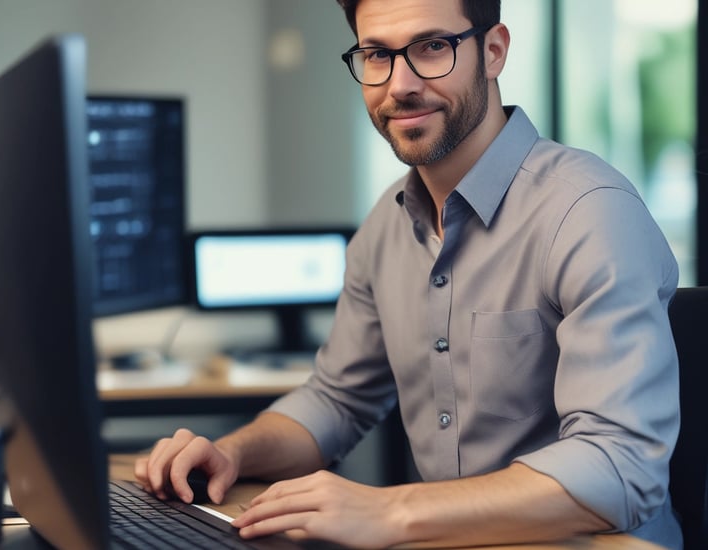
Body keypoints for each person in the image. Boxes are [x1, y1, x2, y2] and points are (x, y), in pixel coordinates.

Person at [136, 0, 683, 547]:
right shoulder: (385, 225)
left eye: (430, 47)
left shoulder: (588, 211)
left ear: (492, 51)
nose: (399, 84)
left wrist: (391, 509)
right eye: (377, 54)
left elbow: (620, 468)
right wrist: (232, 452)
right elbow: (337, 399)